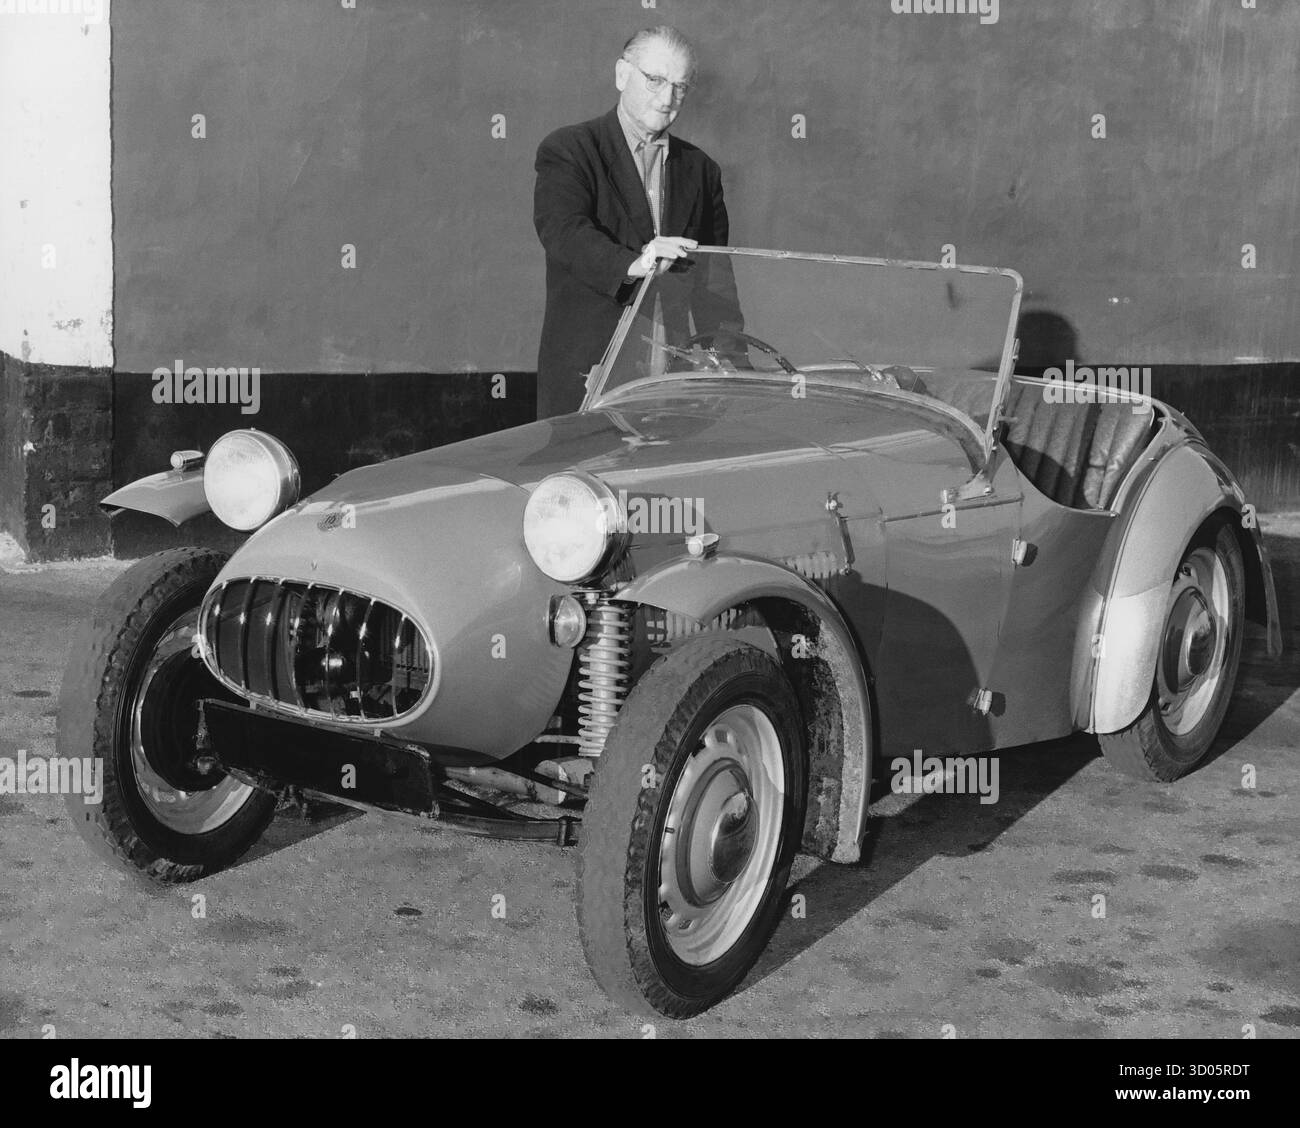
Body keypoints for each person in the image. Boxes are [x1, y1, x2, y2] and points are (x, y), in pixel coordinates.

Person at [532, 25, 730, 419]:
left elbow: (717, 278)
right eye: (655, 80)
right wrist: (636, 263)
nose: (667, 97)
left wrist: (728, 361)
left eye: (680, 86)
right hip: (590, 378)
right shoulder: (570, 149)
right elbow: (564, 233)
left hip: (671, 384)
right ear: (622, 74)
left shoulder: (702, 169)